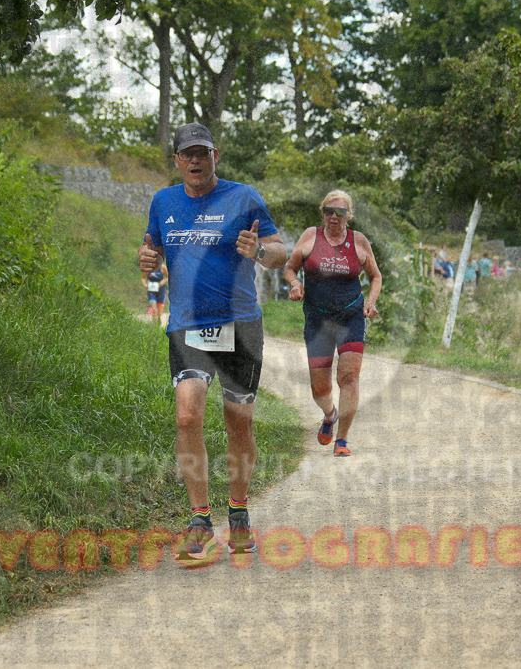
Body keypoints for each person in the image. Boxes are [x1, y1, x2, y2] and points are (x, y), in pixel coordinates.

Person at [137, 122, 286, 563]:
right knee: (187, 416)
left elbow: (281, 251)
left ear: (215, 155)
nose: (197, 161)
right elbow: (153, 253)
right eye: (188, 154)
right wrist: (147, 259)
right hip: (188, 327)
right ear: (178, 160)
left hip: (240, 325)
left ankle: (238, 513)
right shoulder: (163, 201)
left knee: (238, 423)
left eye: (204, 152)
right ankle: (199, 521)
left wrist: (259, 250)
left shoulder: (244, 197)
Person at [282, 190, 382, 457]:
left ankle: (342, 440)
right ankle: (330, 413)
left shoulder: (358, 241)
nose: (333, 217)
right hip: (317, 318)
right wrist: (294, 283)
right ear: (322, 212)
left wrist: (370, 302)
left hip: (350, 316)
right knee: (320, 388)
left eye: (340, 212)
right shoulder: (310, 236)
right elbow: (290, 268)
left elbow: (375, 276)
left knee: (348, 377)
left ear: (349, 215)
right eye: (329, 211)